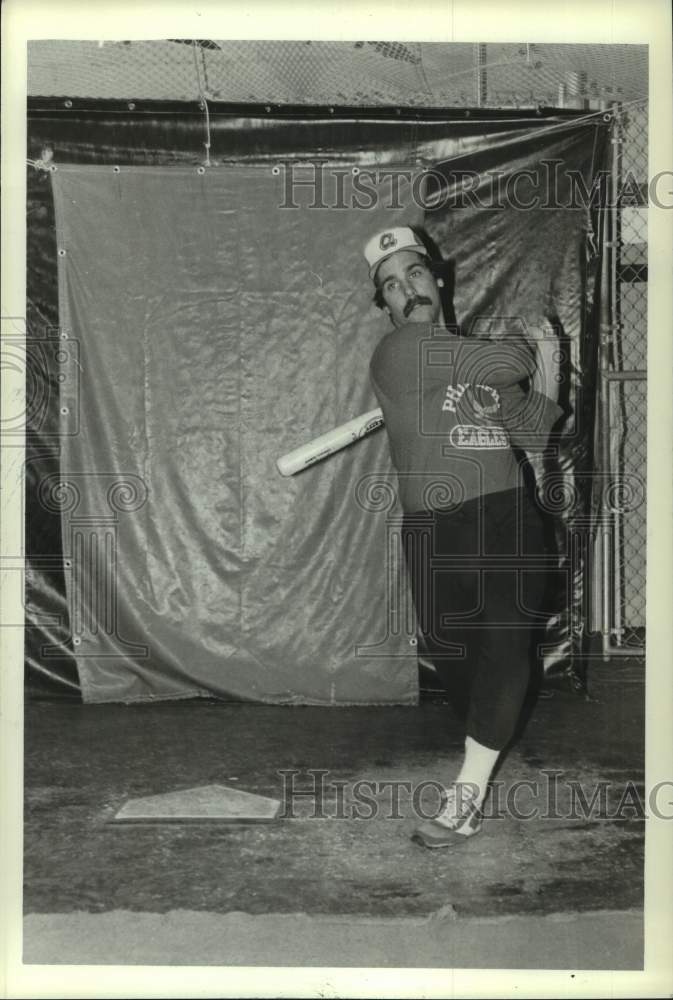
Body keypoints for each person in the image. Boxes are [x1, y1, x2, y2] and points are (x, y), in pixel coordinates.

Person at [364, 225, 561, 849]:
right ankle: (485, 740)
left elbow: (532, 428)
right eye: (391, 286)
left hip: (504, 517)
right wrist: (528, 353)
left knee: (505, 645)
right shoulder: (398, 354)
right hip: (432, 530)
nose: (407, 291)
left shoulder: (464, 355)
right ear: (388, 306)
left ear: (438, 279)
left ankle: (465, 797)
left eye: (414, 274)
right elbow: (509, 362)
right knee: (457, 666)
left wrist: (551, 364)